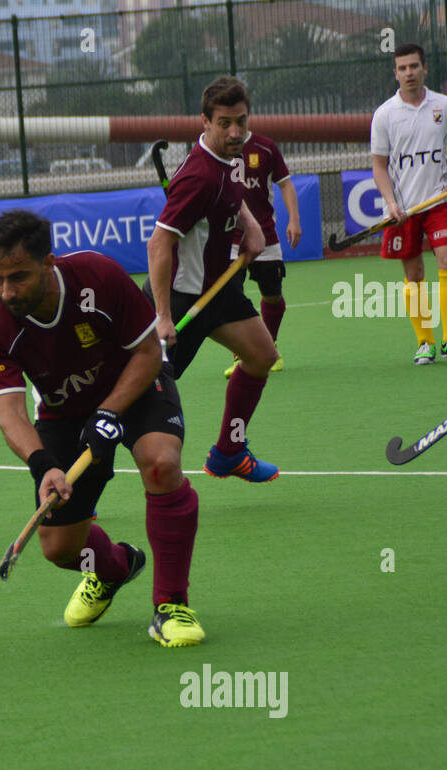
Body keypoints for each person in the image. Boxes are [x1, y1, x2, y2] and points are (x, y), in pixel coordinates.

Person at [0, 210, 205, 647]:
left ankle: (171, 604)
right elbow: (10, 412)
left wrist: (110, 412)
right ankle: (116, 568)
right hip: (63, 416)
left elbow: (147, 354)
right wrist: (43, 466)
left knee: (161, 463)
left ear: (49, 263)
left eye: (19, 277)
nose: (6, 291)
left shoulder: (97, 276)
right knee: (59, 549)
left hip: (135, 388)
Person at [143, 76, 276, 482]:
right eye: (224, 123)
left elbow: (234, 196)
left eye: (241, 121)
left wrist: (250, 225)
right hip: (183, 299)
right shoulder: (198, 176)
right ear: (205, 122)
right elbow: (159, 244)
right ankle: (76, 485)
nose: (235, 132)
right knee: (137, 398)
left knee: (262, 356)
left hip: (219, 288)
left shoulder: (231, 156)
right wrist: (163, 316)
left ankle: (229, 452)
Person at [370, 42, 447, 366]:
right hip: (403, 209)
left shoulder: (445, 106)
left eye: (414, 66)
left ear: (424, 68)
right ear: (395, 73)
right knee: (413, 274)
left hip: (439, 201)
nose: (408, 73)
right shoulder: (384, 115)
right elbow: (379, 166)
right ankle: (425, 342)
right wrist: (390, 204)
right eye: (402, 68)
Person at [224, 128, 302, 379]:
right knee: (232, 297)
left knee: (272, 295)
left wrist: (294, 220)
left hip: (265, 235)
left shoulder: (266, 147)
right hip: (229, 237)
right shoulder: (216, 147)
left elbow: (285, 184)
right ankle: (242, 356)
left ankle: (271, 347)